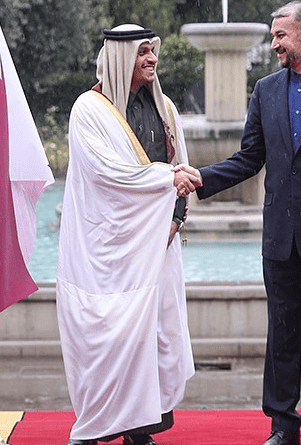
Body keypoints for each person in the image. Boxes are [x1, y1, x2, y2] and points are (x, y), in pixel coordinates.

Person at [175, 3, 301, 445]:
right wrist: (202, 178)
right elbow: (250, 158)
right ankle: (282, 426)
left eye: (280, 35)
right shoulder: (265, 90)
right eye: (272, 36)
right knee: (280, 337)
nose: (274, 44)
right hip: (280, 237)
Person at [56, 24, 201, 445]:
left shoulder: (165, 109)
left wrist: (175, 218)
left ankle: (140, 428)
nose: (152, 59)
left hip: (157, 242)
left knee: (151, 335)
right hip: (105, 248)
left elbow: (182, 165)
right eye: (142, 53)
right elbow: (109, 174)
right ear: (121, 58)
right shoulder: (88, 110)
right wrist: (166, 180)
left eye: (153, 52)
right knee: (107, 334)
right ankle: (94, 428)